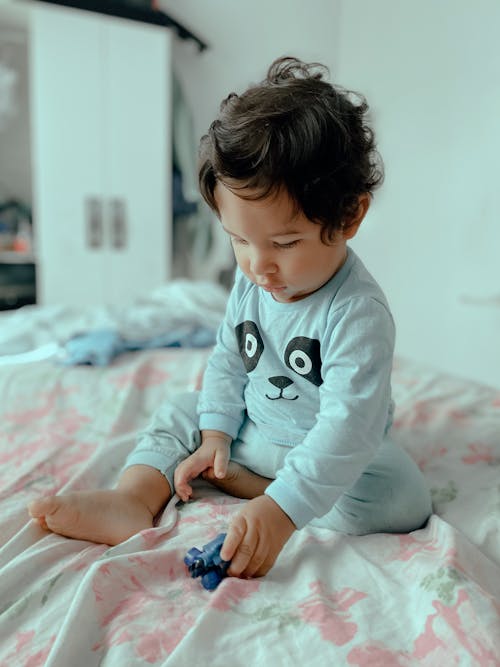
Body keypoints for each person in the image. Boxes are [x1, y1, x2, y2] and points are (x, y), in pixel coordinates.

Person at [28, 56, 432, 579]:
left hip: (331, 450)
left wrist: (283, 510)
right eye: (239, 240)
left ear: (350, 216)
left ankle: (261, 487)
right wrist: (217, 435)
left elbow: (347, 429)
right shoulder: (252, 278)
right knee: (181, 411)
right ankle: (132, 498)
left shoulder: (357, 313)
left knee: (403, 499)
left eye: (285, 243)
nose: (258, 265)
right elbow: (228, 360)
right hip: (257, 432)